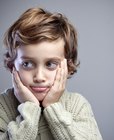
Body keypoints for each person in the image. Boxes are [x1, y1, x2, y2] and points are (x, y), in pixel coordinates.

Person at [0, 7, 102, 140]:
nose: (39, 77)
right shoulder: (3, 106)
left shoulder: (77, 105)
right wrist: (30, 109)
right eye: (27, 64)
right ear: (12, 65)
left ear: (68, 65)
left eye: (50, 64)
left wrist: (53, 108)